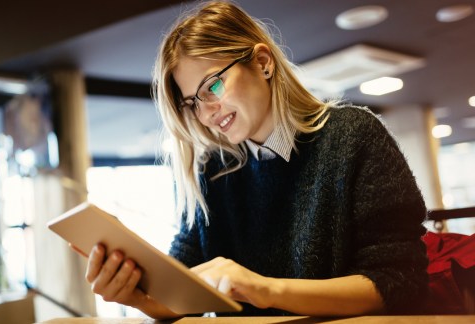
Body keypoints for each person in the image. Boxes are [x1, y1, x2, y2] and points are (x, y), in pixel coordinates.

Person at [83, 0, 429, 319]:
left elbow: (399, 282)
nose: (205, 114)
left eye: (212, 87)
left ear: (263, 63)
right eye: (192, 103)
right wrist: (134, 294)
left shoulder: (352, 135)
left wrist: (263, 288)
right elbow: (183, 293)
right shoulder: (211, 170)